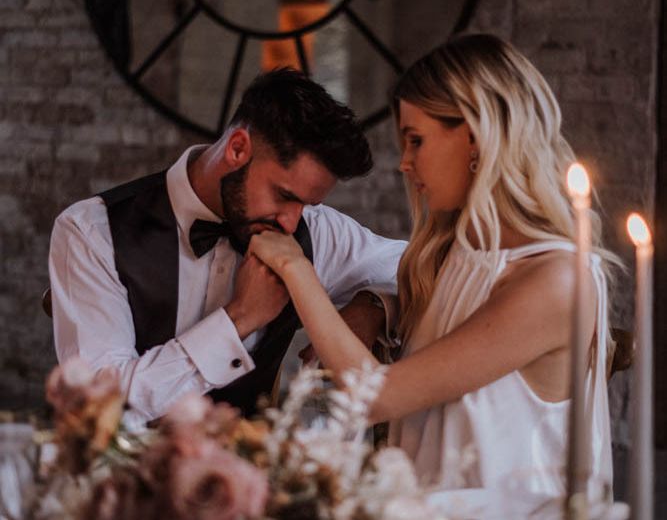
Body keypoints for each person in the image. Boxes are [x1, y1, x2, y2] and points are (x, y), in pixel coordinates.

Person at [249, 34, 615, 497]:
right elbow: (460, 324)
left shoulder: (558, 281)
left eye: (416, 140)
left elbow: (377, 398)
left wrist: (297, 269)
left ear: (477, 137)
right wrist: (377, 306)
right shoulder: (453, 255)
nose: (404, 164)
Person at [49, 68, 406, 423]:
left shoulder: (312, 231)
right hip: (123, 474)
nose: (291, 222)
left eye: (305, 205)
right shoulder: (92, 231)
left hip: (253, 474)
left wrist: (371, 306)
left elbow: (415, 266)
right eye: (283, 196)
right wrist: (238, 320)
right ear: (238, 148)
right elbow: (100, 408)